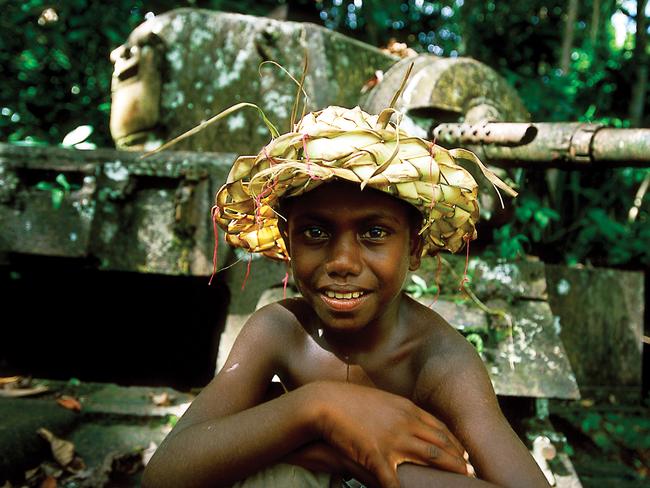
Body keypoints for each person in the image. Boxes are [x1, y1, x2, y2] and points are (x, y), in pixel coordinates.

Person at [142, 105, 550, 488]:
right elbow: (164, 473)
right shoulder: (280, 331)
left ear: (413, 248)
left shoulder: (439, 360)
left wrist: (349, 456)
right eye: (315, 232)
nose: (342, 262)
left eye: (374, 233)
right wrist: (319, 407)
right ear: (288, 240)